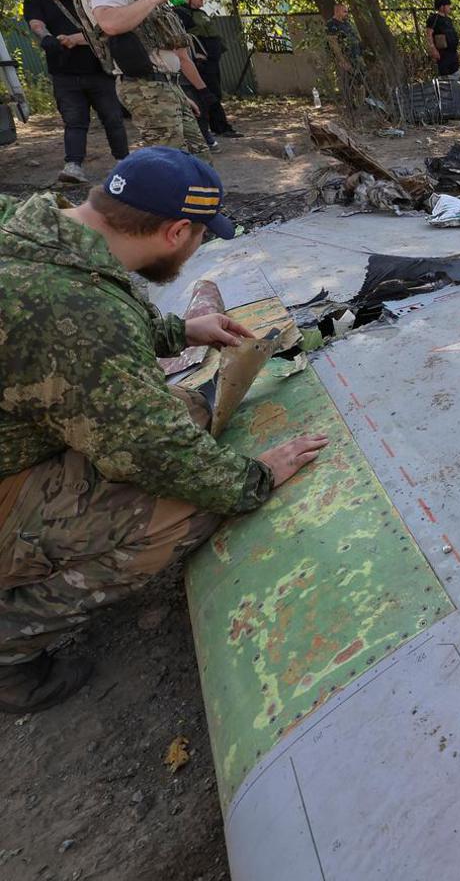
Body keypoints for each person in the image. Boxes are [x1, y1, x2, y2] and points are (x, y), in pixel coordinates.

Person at [0, 147, 329, 712]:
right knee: (193, 505)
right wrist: (255, 477)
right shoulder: (75, 311)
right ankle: (12, 646)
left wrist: (177, 330)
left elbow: (57, 332)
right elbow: (153, 452)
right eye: (201, 235)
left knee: (182, 411)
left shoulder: (27, 226)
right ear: (177, 232)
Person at [75, 0, 206, 155]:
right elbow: (111, 23)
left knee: (197, 161)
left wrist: (175, 94)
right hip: (146, 86)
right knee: (172, 167)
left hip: (162, 85)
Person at [23, 0, 128, 184]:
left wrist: (73, 39)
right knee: (75, 122)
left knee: (113, 119)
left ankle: (124, 163)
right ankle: (73, 167)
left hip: (99, 72)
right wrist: (47, 38)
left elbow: (105, 30)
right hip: (65, 75)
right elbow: (36, 24)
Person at [175, 0, 241, 140]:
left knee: (215, 94)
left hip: (212, 62)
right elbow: (183, 41)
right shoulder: (180, 14)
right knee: (207, 95)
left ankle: (218, 127)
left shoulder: (201, 14)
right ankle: (217, 129)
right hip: (199, 65)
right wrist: (196, 55)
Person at [324, 2, 366, 107]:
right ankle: (351, 107)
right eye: (345, 11)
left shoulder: (347, 23)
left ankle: (361, 104)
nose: (347, 13)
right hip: (345, 58)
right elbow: (333, 44)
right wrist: (342, 60)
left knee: (360, 79)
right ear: (337, 11)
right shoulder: (331, 25)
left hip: (356, 56)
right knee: (348, 82)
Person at [425, 0, 460, 77]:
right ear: (442, 7)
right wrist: (433, 50)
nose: (449, 8)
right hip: (442, 53)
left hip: (452, 53)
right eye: (447, 6)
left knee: (456, 74)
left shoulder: (448, 19)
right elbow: (429, 35)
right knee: (445, 76)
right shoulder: (433, 19)